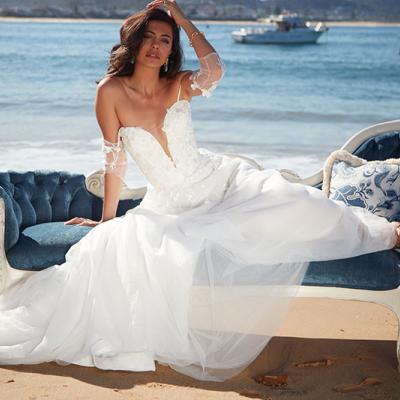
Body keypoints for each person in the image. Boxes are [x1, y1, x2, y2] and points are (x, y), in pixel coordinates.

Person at [0, 0, 399, 382]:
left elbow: (215, 68)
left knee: (297, 200)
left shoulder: (179, 85)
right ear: (134, 41)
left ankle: (386, 233)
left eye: (166, 40)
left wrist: (182, 19)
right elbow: (114, 162)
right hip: (172, 210)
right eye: (151, 37)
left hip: (221, 185)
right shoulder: (110, 92)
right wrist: (106, 219)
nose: (157, 47)